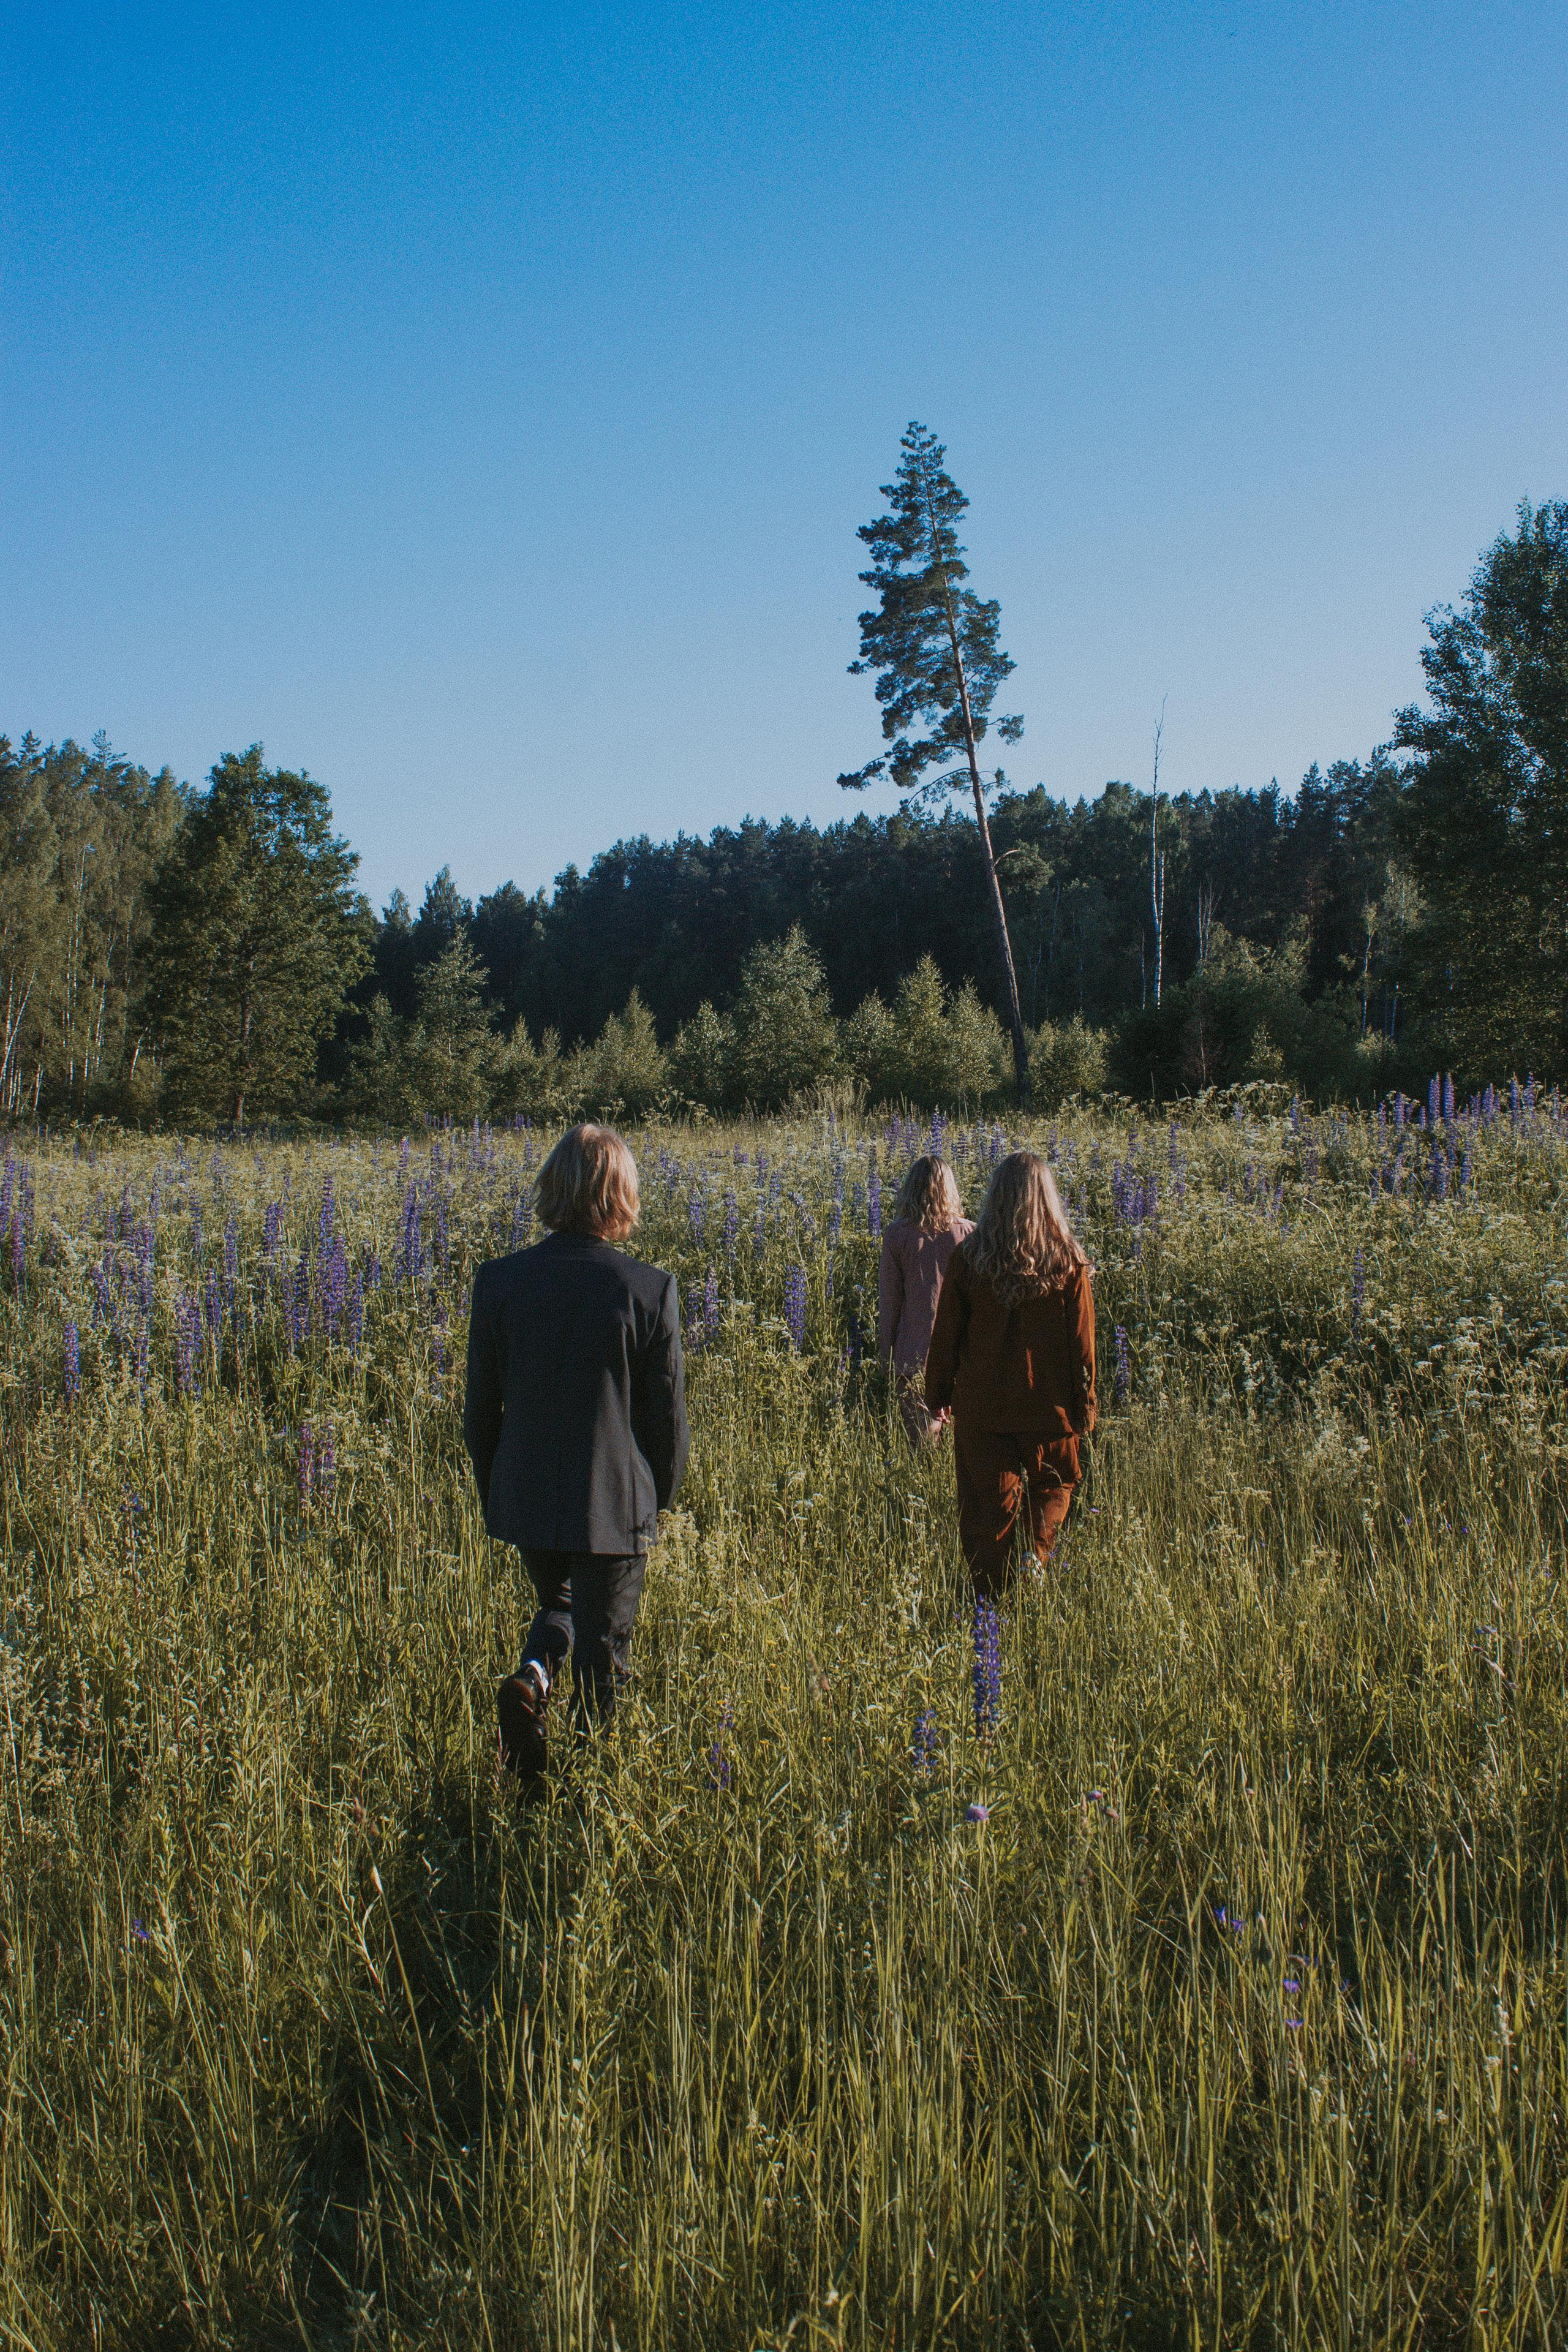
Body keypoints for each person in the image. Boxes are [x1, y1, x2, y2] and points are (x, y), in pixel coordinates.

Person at [464, 1123, 688, 1776]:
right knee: (604, 1652)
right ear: (620, 1194)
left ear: (552, 1188)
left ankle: (533, 1679)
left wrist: (499, 1490)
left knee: (559, 1604)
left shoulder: (499, 1281)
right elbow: (666, 1422)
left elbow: (480, 1413)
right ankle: (585, 1792)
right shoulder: (646, 1289)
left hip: (527, 1494)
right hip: (615, 1501)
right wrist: (658, 1499)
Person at [924, 1150, 1095, 1596]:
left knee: (986, 1510)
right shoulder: (1068, 1262)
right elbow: (1083, 1349)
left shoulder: (970, 1259)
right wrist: (1085, 1409)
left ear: (995, 1198)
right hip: (1048, 1408)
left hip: (984, 1407)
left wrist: (938, 1394)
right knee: (1054, 1487)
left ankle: (989, 1598)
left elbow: (947, 1336)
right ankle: (1034, 1560)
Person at [878, 1155, 974, 1447]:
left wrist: (886, 1356)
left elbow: (890, 1303)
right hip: (963, 1352)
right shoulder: (970, 1233)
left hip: (914, 1352)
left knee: (922, 1443)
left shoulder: (897, 1235)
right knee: (964, 1445)